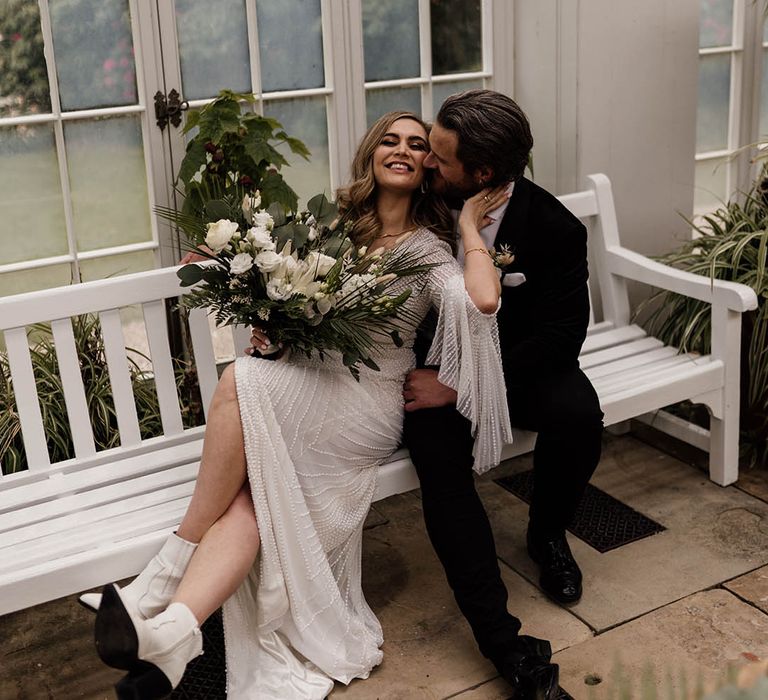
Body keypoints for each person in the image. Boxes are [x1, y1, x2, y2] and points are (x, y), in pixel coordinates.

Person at [84, 110, 516, 700]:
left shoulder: (428, 250)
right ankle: (173, 638)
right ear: (371, 152)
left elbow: (485, 299)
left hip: (365, 403)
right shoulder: (332, 225)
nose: (402, 150)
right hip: (305, 384)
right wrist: (272, 325)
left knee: (241, 379)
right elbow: (300, 306)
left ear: (427, 169)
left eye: (418, 147)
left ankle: (160, 578)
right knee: (248, 503)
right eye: (390, 139)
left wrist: (467, 225)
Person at [402, 89, 604, 698]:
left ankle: (547, 533)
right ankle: (500, 636)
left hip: (515, 369)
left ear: (482, 173)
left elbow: (562, 337)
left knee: (579, 414)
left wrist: (466, 382)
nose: (426, 164)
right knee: (441, 467)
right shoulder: (420, 199)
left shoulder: (554, 228)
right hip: (428, 372)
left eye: (439, 155)